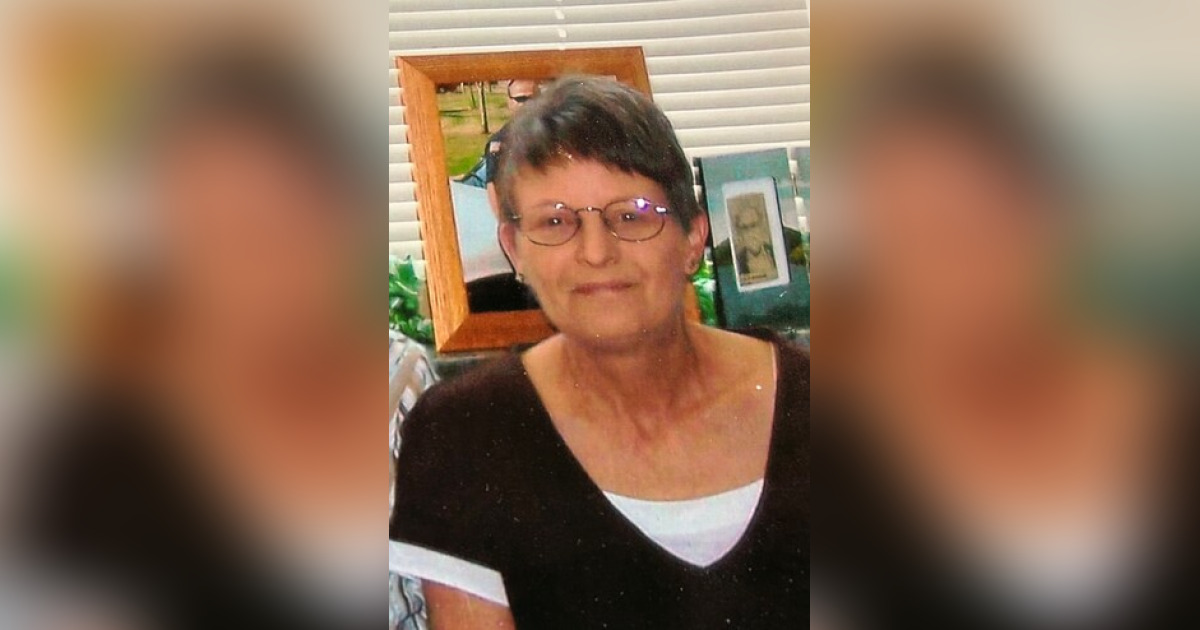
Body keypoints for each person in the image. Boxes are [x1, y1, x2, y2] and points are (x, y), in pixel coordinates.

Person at [390, 76, 809, 629]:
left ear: (693, 237)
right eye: (555, 222)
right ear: (515, 250)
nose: (595, 252)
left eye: (631, 215)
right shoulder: (465, 435)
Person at [816, 45, 1198, 630]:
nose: (952, 276)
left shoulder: (1172, 398)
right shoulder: (841, 449)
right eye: (906, 241)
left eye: (976, 225)